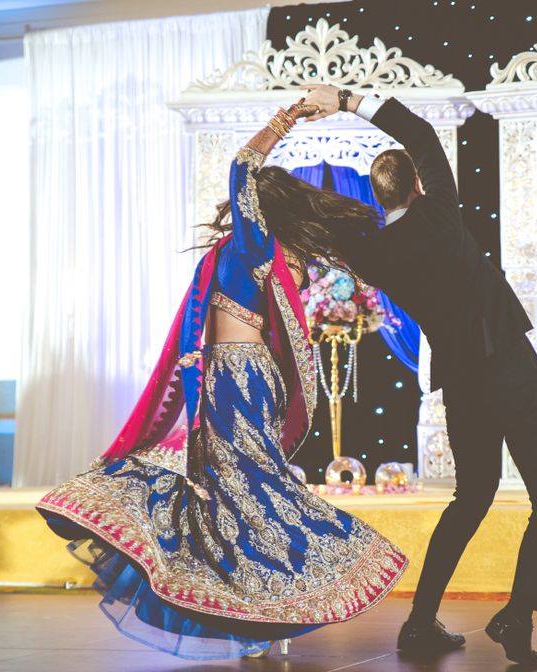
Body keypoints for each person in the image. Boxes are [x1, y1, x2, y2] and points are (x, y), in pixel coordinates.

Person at [36, 100, 408, 661]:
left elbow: (242, 165)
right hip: (240, 375)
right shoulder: (261, 251)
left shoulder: (252, 245)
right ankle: (261, 612)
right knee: (234, 488)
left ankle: (269, 604)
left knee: (242, 487)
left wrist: (283, 121)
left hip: (236, 377)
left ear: (259, 205)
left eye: (250, 198)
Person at [303, 84, 537, 667]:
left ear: (380, 197)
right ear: (420, 185)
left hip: (462, 384)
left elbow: (323, 225)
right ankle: (516, 614)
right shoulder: (440, 216)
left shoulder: (375, 251)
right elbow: (421, 134)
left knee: (471, 497)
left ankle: (420, 621)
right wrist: (347, 100)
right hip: (507, 368)